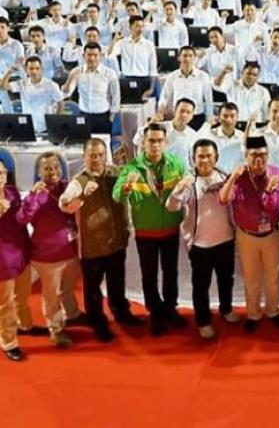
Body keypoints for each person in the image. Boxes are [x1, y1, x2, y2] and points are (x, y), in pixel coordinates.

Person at [58, 138, 144, 342]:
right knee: (93, 288)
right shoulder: (79, 181)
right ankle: (98, 323)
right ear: (84, 156)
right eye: (92, 155)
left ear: (106, 155)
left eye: (100, 155)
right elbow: (64, 204)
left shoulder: (116, 173)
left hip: (116, 240)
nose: (96, 159)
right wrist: (81, 197)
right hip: (92, 245)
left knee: (117, 283)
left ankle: (122, 313)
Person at [114, 123, 187, 336]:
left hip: (171, 229)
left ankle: (170, 308)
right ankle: (155, 312)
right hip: (146, 231)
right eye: (151, 141)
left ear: (165, 143)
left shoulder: (177, 164)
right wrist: (127, 186)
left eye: (159, 141)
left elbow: (186, 192)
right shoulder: (132, 168)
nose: (155, 145)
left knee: (171, 272)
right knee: (149, 275)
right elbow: (117, 195)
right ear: (143, 143)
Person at [167, 139, 241, 339]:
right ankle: (203, 320)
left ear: (216, 157)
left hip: (225, 240)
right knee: (201, 285)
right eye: (200, 156)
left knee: (227, 280)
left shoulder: (224, 177)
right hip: (200, 244)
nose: (205, 159)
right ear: (193, 159)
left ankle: (226, 309)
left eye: (209, 155)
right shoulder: (189, 181)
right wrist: (177, 190)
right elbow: (172, 207)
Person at [16, 152, 83, 348]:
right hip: (47, 256)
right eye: (47, 168)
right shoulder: (34, 194)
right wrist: (35, 197)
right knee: (51, 295)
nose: (52, 171)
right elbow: (22, 218)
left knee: (68, 289)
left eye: (56, 167)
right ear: (38, 172)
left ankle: (72, 314)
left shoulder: (68, 187)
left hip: (70, 251)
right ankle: (56, 329)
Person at [219, 136, 279, 333]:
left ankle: (273, 311)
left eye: (263, 156)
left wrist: (270, 190)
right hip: (247, 235)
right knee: (252, 278)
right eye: (254, 156)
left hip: (272, 234)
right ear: (246, 156)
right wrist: (232, 177)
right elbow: (223, 199)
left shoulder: (277, 174)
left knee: (273, 276)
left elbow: (274, 206)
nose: (259, 160)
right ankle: (253, 314)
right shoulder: (239, 177)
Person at [0, 160, 29, 361]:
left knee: (21, 295)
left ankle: (23, 325)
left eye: (1, 173)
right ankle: (8, 341)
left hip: (19, 251)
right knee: (5, 302)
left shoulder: (12, 192)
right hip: (2, 259)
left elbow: (21, 219)